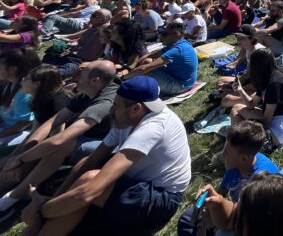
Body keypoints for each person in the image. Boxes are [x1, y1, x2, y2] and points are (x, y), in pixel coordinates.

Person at [20, 76, 191, 236]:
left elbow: (89, 191)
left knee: (89, 181)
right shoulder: (126, 118)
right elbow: (92, 160)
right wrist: (58, 197)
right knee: (83, 166)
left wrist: (42, 211)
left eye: (116, 105)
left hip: (161, 200)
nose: (111, 110)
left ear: (136, 108)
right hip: (137, 184)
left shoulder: (152, 128)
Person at [0, 61, 120, 213]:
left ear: (95, 81)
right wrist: (17, 155)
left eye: (80, 75)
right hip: (88, 138)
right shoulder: (86, 94)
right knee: (34, 149)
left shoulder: (104, 103)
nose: (75, 78)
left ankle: (12, 198)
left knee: (61, 145)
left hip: (112, 146)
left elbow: (59, 140)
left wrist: (21, 159)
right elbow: (53, 122)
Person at [176, 121, 280, 236]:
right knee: (188, 217)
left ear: (243, 158)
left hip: (249, 224)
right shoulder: (235, 167)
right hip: (236, 213)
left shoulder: (261, 183)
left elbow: (248, 223)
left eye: (226, 153)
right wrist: (210, 204)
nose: (222, 156)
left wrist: (213, 220)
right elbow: (221, 193)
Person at [230, 48, 283, 146]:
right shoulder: (266, 77)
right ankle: (235, 139)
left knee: (245, 135)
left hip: (282, 126)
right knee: (236, 108)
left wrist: (245, 125)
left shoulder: (274, 83)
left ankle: (236, 143)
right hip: (274, 116)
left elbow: (266, 121)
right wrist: (240, 90)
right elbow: (251, 104)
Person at [129, 18, 198, 96]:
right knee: (147, 61)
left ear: (176, 35)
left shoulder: (177, 50)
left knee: (145, 72)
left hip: (181, 85)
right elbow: (149, 55)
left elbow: (145, 69)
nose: (161, 36)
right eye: (161, 33)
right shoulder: (179, 43)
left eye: (164, 34)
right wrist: (131, 67)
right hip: (177, 77)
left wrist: (124, 77)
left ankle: (127, 87)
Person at [0, 50, 39, 150]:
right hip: (6, 126)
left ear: (12, 69)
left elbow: (23, 123)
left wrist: (2, 135)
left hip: (18, 132)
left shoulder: (23, 93)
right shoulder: (9, 83)